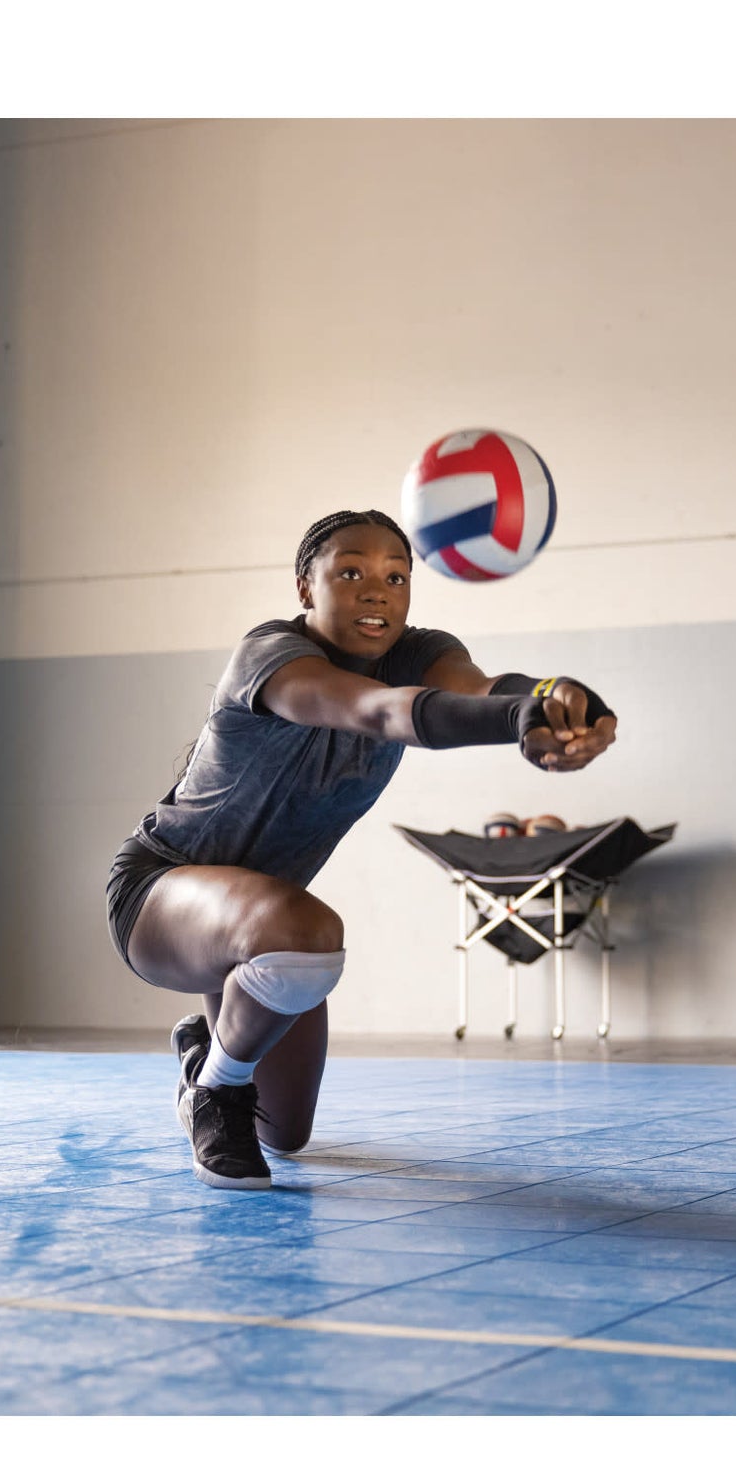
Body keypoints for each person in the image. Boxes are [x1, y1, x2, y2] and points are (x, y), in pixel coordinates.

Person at [106, 507, 619, 1188]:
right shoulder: (272, 654)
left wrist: (560, 705)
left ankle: (208, 1046)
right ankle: (215, 1089)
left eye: (396, 576)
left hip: (261, 917)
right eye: (350, 572)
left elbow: (487, 689)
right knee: (310, 935)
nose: (376, 590)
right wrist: (518, 719)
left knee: (285, 1135)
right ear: (304, 587)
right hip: (163, 894)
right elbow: (375, 710)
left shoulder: (422, 650)